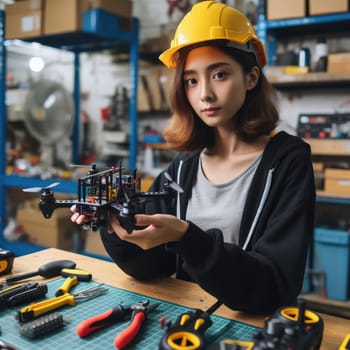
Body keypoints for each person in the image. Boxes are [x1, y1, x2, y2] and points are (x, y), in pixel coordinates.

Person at [71, 1, 315, 314]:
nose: (205, 95)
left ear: (251, 77)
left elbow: (273, 286)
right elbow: (151, 266)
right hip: (188, 316)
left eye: (220, 75)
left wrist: (187, 238)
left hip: (255, 325)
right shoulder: (185, 166)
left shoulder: (287, 163)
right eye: (191, 80)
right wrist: (115, 226)